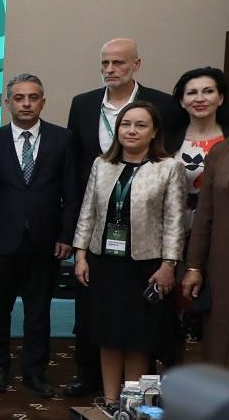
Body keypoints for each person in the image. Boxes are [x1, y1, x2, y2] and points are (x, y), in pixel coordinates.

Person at [62, 38, 182, 398]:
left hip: (145, 264)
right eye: (125, 124)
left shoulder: (168, 168)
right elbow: (88, 212)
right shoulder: (103, 164)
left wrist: (169, 264)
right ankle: (110, 400)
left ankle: (132, 403)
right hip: (104, 262)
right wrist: (80, 255)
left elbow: (174, 221)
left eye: (140, 125)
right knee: (106, 333)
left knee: (138, 336)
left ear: (154, 130)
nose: (131, 130)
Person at [0, 73, 77, 396]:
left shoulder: (63, 139)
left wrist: (66, 235)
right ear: (7, 103)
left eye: (33, 98)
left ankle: (35, 373)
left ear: (42, 102)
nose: (26, 104)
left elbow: (71, 193)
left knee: (38, 312)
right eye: (19, 98)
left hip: (46, 241)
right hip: (1, 240)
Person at [169, 67, 226, 355]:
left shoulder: (226, 143)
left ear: (221, 98)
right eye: (192, 93)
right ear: (182, 101)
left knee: (216, 312)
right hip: (175, 234)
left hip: (218, 238)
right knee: (176, 309)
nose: (200, 98)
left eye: (208, 91)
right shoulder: (167, 140)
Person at [183, 140, 229, 366]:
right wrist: (194, 267)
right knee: (221, 340)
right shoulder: (221, 152)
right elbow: (204, 216)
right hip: (223, 264)